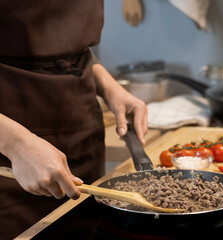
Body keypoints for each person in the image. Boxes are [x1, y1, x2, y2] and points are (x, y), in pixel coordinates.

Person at [0, 1, 148, 239]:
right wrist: (15, 144)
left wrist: (108, 86)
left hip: (81, 134)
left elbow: (66, 46)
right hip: (9, 160)